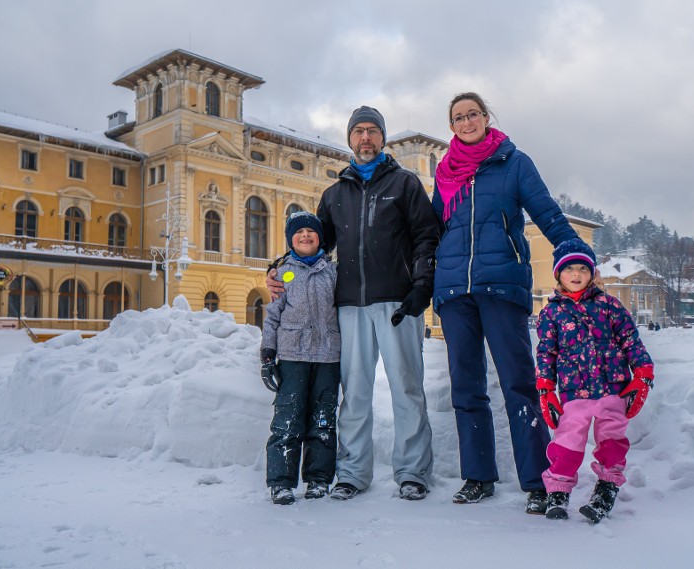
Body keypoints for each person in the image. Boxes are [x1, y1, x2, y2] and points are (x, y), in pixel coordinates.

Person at [266, 106, 440, 501]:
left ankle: (412, 472)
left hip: (398, 302)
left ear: (382, 138)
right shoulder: (334, 195)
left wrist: (421, 288)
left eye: (373, 131)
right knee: (356, 391)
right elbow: (311, 246)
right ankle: (353, 472)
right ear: (349, 139)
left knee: (407, 388)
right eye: (359, 131)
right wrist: (280, 271)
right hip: (349, 305)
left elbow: (427, 237)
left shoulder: (405, 184)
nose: (366, 138)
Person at [431, 92, 580, 514]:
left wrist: (574, 254)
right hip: (455, 292)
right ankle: (478, 477)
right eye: (458, 117)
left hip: (502, 286)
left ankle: (538, 481)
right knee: (467, 386)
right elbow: (429, 232)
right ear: (452, 126)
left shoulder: (514, 162)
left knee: (519, 383)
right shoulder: (444, 173)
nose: (466, 122)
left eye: (472, 114)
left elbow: (548, 214)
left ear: (486, 117)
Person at [536, 238, 655, 523]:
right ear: (558, 274)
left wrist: (643, 372)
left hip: (612, 389)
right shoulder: (551, 312)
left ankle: (605, 489)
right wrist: (545, 387)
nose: (576, 275)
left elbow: (630, 340)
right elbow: (545, 352)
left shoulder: (609, 305)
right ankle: (558, 493)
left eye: (582, 269)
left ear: (592, 273)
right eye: (569, 270)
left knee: (612, 442)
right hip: (574, 393)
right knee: (567, 443)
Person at [260, 211, 341, 505]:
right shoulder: (284, 274)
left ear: (320, 238)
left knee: (322, 420)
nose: (305, 236)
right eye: (299, 233)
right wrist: (267, 355)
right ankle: (281, 482)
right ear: (290, 240)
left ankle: (318, 479)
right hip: (293, 356)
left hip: (328, 357)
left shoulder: (334, 273)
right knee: (287, 419)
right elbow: (272, 318)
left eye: (311, 231)